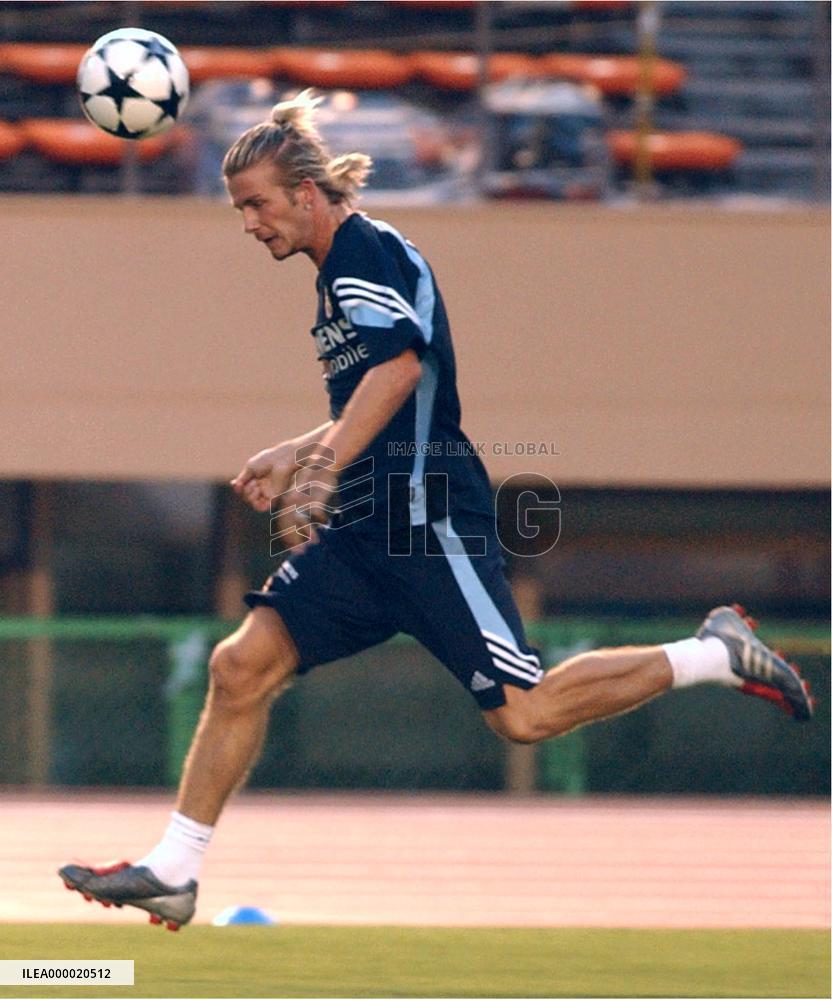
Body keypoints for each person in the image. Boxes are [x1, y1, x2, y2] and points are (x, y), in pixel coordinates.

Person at [58, 90, 813, 930]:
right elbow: (383, 388)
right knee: (241, 667)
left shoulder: (361, 254)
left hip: (427, 524)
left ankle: (713, 651)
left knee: (524, 716)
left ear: (305, 193)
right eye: (240, 208)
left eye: (256, 205)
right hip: (368, 529)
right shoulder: (339, 275)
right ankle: (174, 869)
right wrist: (300, 450)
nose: (248, 223)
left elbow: (403, 373)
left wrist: (318, 470)